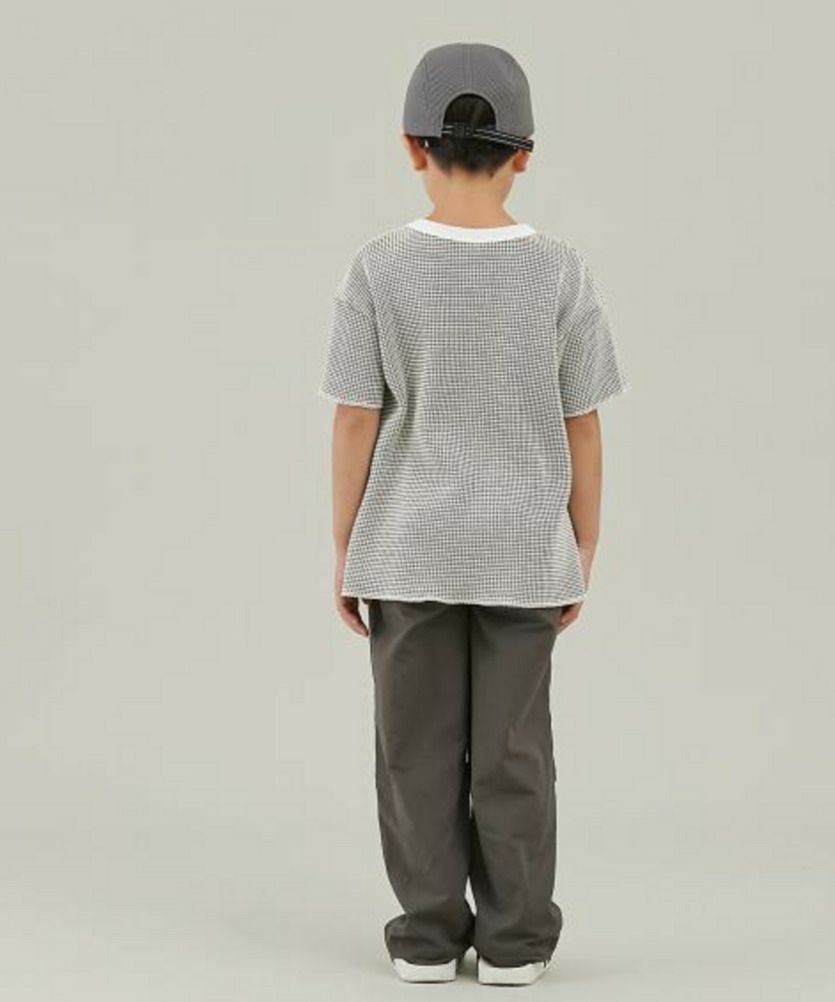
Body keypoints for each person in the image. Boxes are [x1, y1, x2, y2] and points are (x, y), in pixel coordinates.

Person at [318, 42, 627, 987]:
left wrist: (346, 546)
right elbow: (582, 421)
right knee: (513, 752)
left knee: (412, 752)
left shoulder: (378, 268)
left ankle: (423, 935)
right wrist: (583, 540)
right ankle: (515, 941)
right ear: (524, 154)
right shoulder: (561, 271)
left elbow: (356, 418)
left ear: (411, 146)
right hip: (525, 551)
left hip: (406, 547)